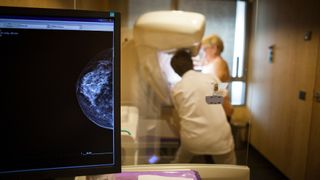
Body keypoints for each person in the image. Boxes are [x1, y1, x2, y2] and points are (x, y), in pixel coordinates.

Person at [170, 49, 236, 164]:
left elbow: (182, 113)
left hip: (192, 140)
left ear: (176, 72)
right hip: (219, 138)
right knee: (231, 171)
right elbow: (223, 101)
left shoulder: (176, 89)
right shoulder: (211, 78)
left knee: (179, 163)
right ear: (192, 63)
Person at [201, 34, 233, 120]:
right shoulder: (211, 64)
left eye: (205, 49)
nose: (204, 53)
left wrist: (201, 100)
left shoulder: (219, 64)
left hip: (219, 112)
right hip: (214, 110)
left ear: (214, 48)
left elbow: (217, 94)